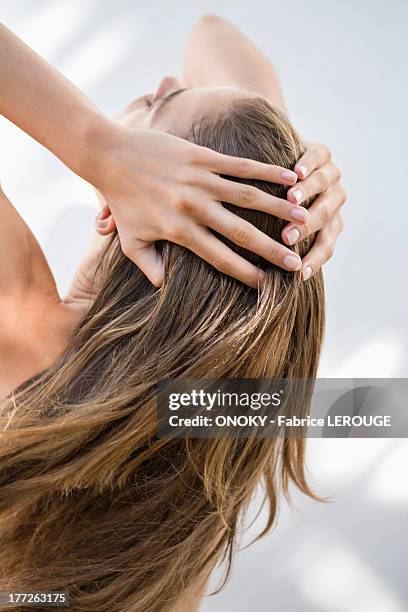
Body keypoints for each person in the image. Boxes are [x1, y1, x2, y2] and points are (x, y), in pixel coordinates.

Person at [0, 15, 345, 612]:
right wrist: (288, 178)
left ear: (119, 208)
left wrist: (97, 147)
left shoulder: (23, 322)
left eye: (167, 103)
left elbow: (210, 34)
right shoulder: (224, 413)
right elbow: (212, 32)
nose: (163, 80)